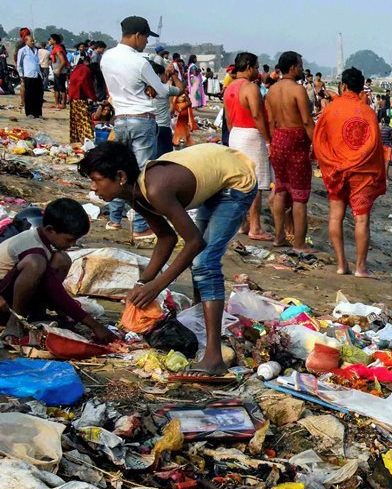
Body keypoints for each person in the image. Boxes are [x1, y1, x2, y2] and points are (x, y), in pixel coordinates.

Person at [79, 141, 257, 375]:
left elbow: (194, 242)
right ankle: (203, 325)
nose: (93, 188)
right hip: (217, 176)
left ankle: (214, 357)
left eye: (97, 180)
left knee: (204, 263)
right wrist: (143, 282)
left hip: (235, 181)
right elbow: (166, 237)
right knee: (199, 263)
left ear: (120, 176)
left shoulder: (155, 190)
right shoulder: (133, 193)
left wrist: (156, 286)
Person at [0, 198, 115, 345]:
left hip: (11, 299)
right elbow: (55, 290)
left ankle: (37, 315)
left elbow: (53, 289)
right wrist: (94, 325)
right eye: (69, 240)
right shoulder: (33, 248)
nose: (72, 244)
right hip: (3, 304)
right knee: (35, 263)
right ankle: (15, 322)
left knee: (62, 259)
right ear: (50, 230)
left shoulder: (43, 241)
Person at [313, 67, 387, 277]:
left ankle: (341, 264)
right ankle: (360, 267)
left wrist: (330, 162)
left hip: (336, 170)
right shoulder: (368, 112)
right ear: (360, 87)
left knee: (335, 216)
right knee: (361, 219)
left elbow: (319, 139)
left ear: (343, 85)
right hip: (362, 173)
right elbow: (374, 145)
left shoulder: (331, 109)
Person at [101, 16, 168, 239]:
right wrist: (170, 89)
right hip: (141, 119)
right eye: (146, 37)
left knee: (119, 169)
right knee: (141, 174)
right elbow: (161, 91)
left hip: (120, 118)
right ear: (138, 35)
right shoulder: (140, 62)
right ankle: (139, 226)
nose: (146, 42)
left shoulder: (107, 57)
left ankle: (114, 219)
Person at [265, 51, 315, 251]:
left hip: (278, 139)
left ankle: (279, 237)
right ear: (293, 67)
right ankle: (299, 243)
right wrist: (317, 145)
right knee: (299, 196)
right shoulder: (298, 90)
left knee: (280, 190)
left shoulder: (272, 90)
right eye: (300, 65)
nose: (302, 69)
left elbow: (270, 121)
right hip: (296, 142)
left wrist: (272, 142)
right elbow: (306, 121)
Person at [224, 52, 274, 242]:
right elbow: (257, 115)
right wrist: (268, 140)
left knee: (240, 181)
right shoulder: (250, 88)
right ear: (249, 67)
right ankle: (255, 227)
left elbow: (228, 117)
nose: (258, 71)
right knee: (256, 183)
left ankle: (243, 223)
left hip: (235, 133)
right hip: (251, 134)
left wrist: (233, 133)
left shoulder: (230, 87)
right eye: (257, 67)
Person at [67, 58, 98, 144]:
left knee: (75, 119)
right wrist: (93, 98)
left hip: (73, 95)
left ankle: (76, 139)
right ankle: (88, 139)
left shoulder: (79, 67)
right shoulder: (86, 70)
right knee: (84, 119)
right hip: (79, 96)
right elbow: (86, 85)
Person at [16, 34, 43, 118]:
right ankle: (29, 113)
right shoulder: (22, 50)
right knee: (29, 95)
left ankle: (38, 113)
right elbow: (19, 64)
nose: (33, 42)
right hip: (28, 75)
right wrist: (21, 75)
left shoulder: (36, 50)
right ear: (26, 41)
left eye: (33, 41)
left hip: (37, 74)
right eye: (31, 41)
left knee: (38, 95)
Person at [48, 34, 69, 110]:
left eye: (51, 39)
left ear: (54, 40)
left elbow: (63, 61)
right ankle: (57, 103)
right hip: (56, 71)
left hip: (60, 72)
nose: (49, 40)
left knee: (62, 88)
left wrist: (59, 70)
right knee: (56, 88)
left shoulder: (58, 49)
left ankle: (63, 104)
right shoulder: (55, 48)